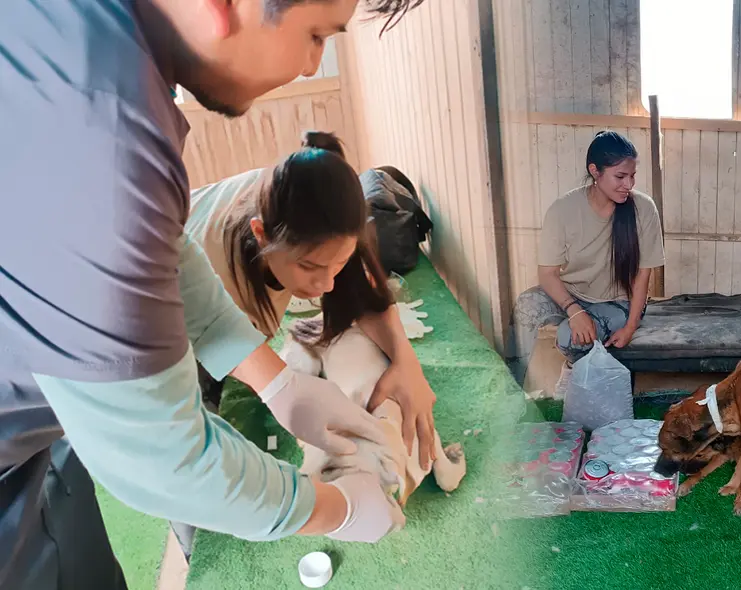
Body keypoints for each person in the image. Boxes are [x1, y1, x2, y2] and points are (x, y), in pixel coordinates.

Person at [0, 1, 427, 589]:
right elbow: (166, 461)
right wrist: (335, 507)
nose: (310, 66)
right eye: (314, 36)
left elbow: (169, 253)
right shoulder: (99, 130)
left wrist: (279, 382)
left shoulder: (103, 52)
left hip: (34, 436)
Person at [186, 131, 437, 469]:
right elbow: (217, 342)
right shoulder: (209, 270)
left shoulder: (320, 216)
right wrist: (282, 388)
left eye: (339, 263)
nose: (327, 283)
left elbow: (364, 294)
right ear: (261, 235)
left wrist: (406, 363)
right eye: (308, 266)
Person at [511, 131, 666, 382]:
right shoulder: (562, 210)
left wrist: (630, 326)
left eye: (632, 176)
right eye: (620, 176)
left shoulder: (644, 209)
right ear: (595, 171)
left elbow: (642, 275)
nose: (629, 184)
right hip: (571, 295)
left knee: (569, 338)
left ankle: (572, 380)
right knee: (525, 307)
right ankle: (511, 390)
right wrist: (574, 311)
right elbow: (548, 274)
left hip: (618, 302)